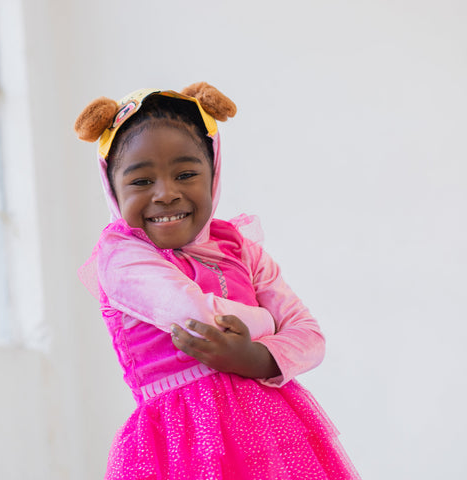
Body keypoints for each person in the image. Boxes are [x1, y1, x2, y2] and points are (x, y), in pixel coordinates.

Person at [74, 82, 361, 479]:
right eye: (141, 182)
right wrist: (268, 323)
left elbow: (310, 337)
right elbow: (199, 320)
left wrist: (256, 357)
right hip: (182, 444)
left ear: (214, 173)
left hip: (272, 432)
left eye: (186, 173)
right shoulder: (122, 257)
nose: (166, 194)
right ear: (112, 187)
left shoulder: (240, 249)